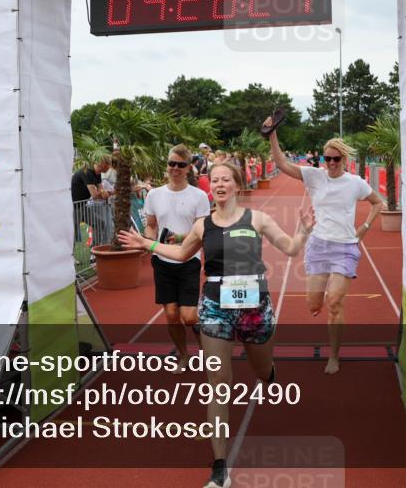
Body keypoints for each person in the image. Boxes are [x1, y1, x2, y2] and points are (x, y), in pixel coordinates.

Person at [118, 161, 314, 488]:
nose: (220, 184)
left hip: (253, 304)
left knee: (261, 370)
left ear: (237, 184)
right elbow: (181, 254)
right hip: (214, 305)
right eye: (215, 180)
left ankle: (269, 372)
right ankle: (220, 467)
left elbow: (291, 249)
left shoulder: (257, 219)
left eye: (225, 179)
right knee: (218, 382)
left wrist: (304, 230)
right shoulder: (202, 225)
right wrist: (146, 244)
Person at [265, 121, 384, 374]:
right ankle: (318, 305)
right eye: (327, 158)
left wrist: (364, 228)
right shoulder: (314, 176)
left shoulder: (356, 183)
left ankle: (334, 356)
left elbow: (378, 203)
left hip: (345, 247)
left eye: (336, 159)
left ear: (344, 159)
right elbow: (282, 164)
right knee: (313, 304)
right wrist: (272, 134)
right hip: (318, 245)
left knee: (335, 302)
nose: (331, 163)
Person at [144, 145, 211, 372]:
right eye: (171, 163)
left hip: (189, 260)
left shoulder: (199, 196)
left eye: (180, 165)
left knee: (189, 316)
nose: (175, 168)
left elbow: (202, 231)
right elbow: (151, 225)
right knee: (172, 315)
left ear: (189, 168)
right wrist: (149, 241)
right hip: (162, 261)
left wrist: (183, 240)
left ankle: (207, 352)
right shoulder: (154, 195)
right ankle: (183, 355)